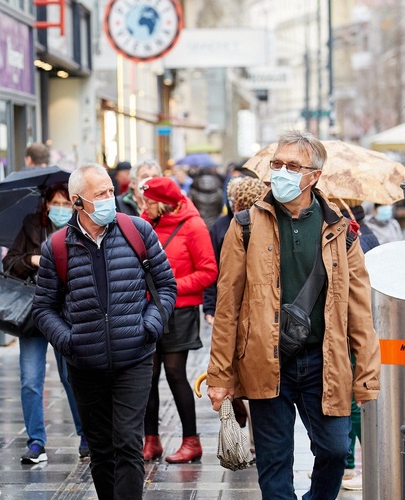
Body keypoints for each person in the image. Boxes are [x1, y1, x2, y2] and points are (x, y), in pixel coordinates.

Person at [206, 130, 381, 499]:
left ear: (314, 175)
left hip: (325, 361)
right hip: (266, 360)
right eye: (277, 164)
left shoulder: (341, 231)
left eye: (292, 165)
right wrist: (220, 375)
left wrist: (366, 375)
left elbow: (360, 311)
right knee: (274, 463)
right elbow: (227, 307)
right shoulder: (245, 225)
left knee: (335, 450)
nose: (281, 172)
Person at [32, 164, 177, 499]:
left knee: (128, 442)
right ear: (77, 201)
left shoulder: (137, 231)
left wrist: (150, 325)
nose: (110, 199)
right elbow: (43, 308)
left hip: (135, 357)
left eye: (110, 191)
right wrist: (70, 341)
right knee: (100, 448)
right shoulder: (56, 247)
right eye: (100, 194)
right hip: (85, 364)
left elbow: (167, 286)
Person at [3, 183, 87, 463]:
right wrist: (34, 259)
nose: (60, 209)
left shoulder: (81, 229)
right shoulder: (31, 226)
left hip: (68, 314)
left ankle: (87, 436)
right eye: (55, 203)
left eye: (66, 204)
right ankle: (36, 442)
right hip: (34, 313)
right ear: (46, 204)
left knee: (72, 377)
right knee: (30, 380)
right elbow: (11, 262)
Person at [139, 177, 217, 463]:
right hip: (147, 310)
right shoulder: (145, 223)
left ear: (163, 202)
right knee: (147, 375)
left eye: (149, 201)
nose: (144, 206)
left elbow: (209, 271)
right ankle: (151, 440)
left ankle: (191, 441)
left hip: (180, 310)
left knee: (174, 373)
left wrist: (170, 286)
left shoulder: (193, 226)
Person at [203, 176, 265, 325]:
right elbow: (213, 266)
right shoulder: (221, 226)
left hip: (260, 303)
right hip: (230, 300)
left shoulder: (269, 228)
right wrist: (210, 306)